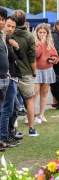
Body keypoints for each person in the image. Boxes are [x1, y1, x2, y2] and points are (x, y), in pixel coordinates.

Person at [11, 9, 39, 136]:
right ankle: (32, 129)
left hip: (11, 71)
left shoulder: (8, 34)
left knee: (10, 101)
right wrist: (34, 72)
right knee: (29, 100)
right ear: (25, 20)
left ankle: (12, 126)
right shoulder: (28, 36)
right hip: (26, 72)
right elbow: (32, 56)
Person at [0, 16, 24, 147]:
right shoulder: (3, 40)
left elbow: (20, 55)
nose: (10, 29)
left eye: (13, 27)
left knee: (13, 108)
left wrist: (17, 46)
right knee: (7, 109)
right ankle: (4, 136)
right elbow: (13, 57)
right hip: (8, 77)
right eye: (8, 25)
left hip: (13, 76)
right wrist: (15, 49)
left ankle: (8, 133)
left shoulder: (9, 39)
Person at [33, 24, 59, 123]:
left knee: (44, 93)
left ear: (48, 33)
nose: (42, 35)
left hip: (48, 69)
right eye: (40, 32)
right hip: (37, 70)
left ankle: (42, 114)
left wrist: (53, 59)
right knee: (34, 93)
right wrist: (42, 43)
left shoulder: (50, 43)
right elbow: (36, 54)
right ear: (37, 33)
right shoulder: (35, 42)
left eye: (44, 33)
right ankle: (31, 115)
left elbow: (56, 56)